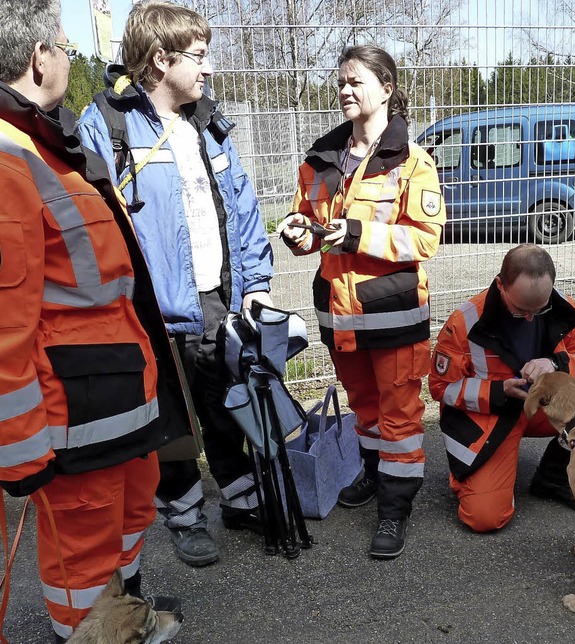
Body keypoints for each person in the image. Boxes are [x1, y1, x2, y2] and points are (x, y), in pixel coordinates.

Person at [0, 0, 189, 641]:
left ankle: (124, 618)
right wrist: (25, 453)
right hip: (74, 414)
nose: (70, 55)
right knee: (81, 554)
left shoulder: (44, 145)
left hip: (116, 396)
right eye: (63, 43)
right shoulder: (8, 158)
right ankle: (87, 630)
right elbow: (5, 329)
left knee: (128, 522)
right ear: (37, 58)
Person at [77, 0, 273, 567]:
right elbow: (98, 226)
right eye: (199, 56)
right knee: (171, 418)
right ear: (160, 60)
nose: (208, 68)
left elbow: (242, 206)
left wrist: (254, 282)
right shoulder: (109, 126)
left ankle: (239, 497)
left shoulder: (208, 125)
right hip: (153, 311)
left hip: (216, 299)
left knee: (223, 403)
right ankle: (185, 513)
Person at [278, 45, 446, 559]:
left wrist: (353, 233)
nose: (345, 91)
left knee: (399, 417)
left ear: (387, 88)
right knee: (365, 408)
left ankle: (395, 509)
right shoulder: (321, 158)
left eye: (356, 81)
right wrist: (299, 233)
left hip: (392, 314)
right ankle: (374, 477)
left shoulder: (412, 162)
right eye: (341, 82)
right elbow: (308, 219)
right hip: (339, 314)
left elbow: (424, 239)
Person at [428, 244, 575, 533]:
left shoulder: (562, 306)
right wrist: (498, 391)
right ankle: (474, 477)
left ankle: (554, 476)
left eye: (540, 309)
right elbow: (441, 387)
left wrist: (555, 364)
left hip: (545, 405)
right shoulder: (465, 322)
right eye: (521, 310)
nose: (532, 317)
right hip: (495, 415)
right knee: (484, 518)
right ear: (501, 285)